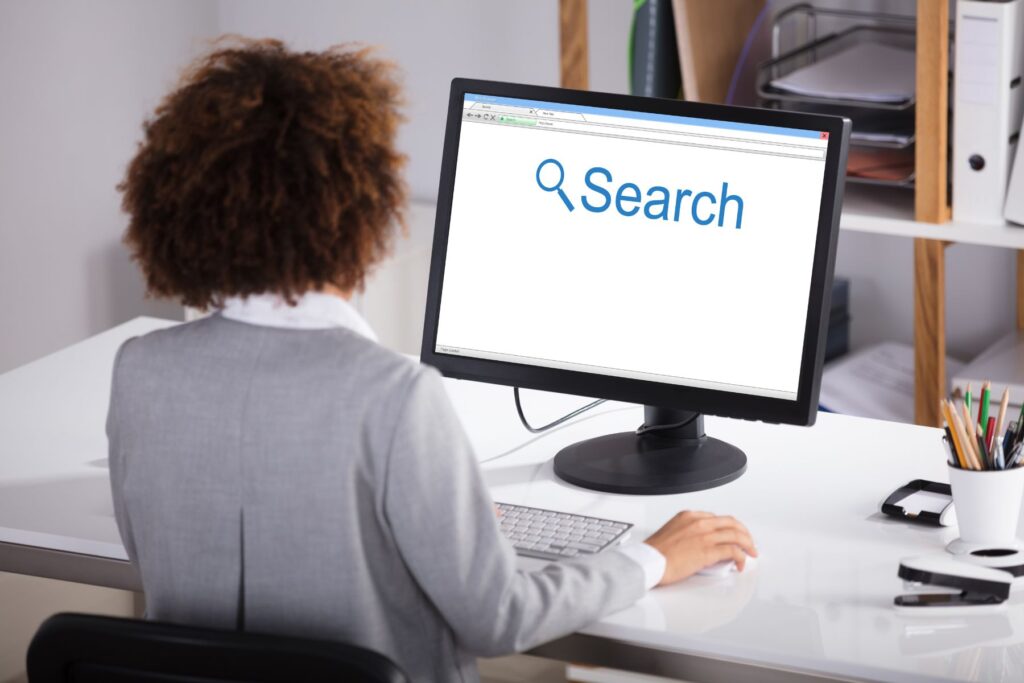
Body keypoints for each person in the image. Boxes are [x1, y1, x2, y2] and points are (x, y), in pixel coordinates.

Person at [109, 38, 757, 683]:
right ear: (361, 210)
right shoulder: (393, 397)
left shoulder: (141, 371)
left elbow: (161, 560)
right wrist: (649, 558)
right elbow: (497, 616)